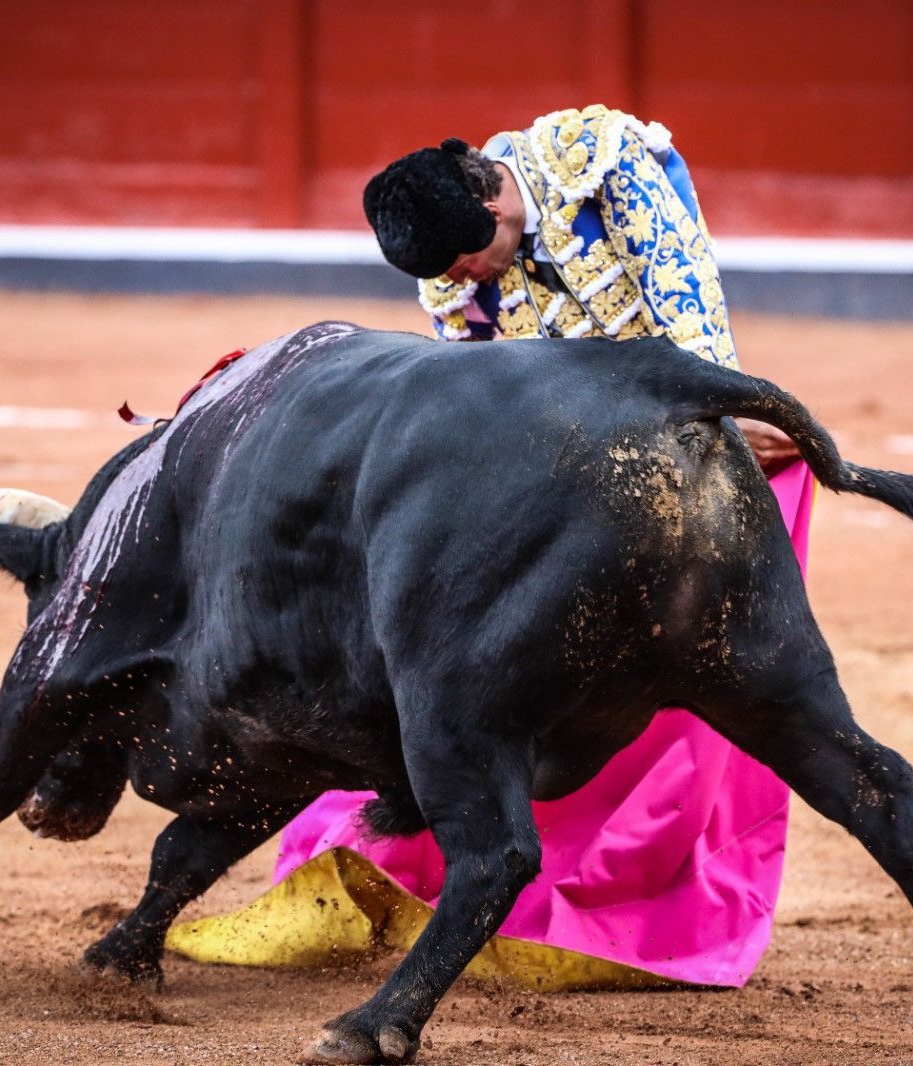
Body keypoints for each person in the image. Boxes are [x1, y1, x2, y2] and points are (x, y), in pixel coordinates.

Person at [168, 105, 816, 990]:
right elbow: (466, 415)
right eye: (449, 272)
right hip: (553, 460)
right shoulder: (452, 263)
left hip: (665, 429)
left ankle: (630, 901)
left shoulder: (611, 168)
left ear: (501, 204)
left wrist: (729, 427)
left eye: (474, 257)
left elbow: (692, 335)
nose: (466, 278)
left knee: (701, 644)